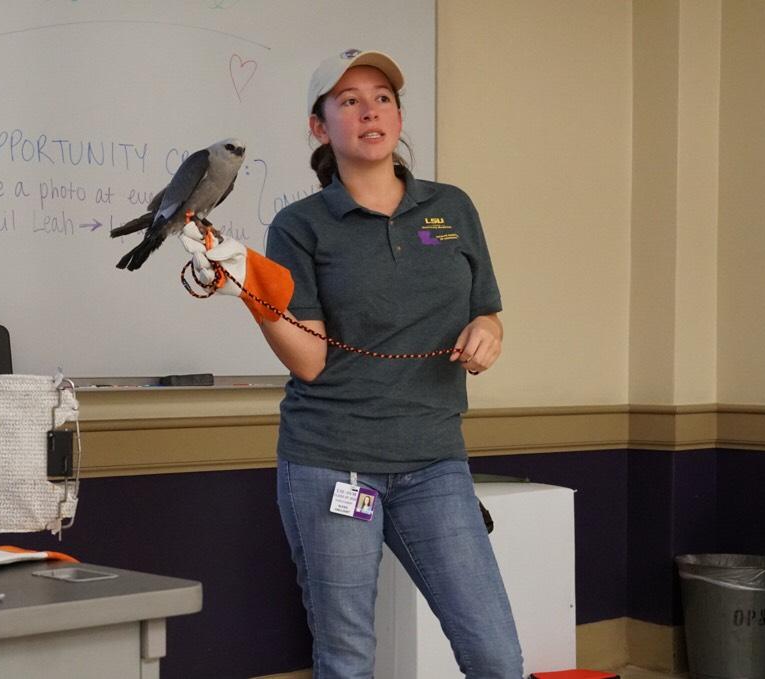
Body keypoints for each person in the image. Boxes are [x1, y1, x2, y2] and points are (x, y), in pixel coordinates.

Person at [180, 48, 521, 679]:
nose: (370, 110)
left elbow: (487, 312)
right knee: (346, 658)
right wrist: (252, 292)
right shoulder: (301, 225)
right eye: (348, 100)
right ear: (319, 126)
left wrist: (487, 331)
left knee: (496, 653)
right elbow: (309, 360)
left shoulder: (451, 208)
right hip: (332, 463)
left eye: (383, 97)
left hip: (435, 461)